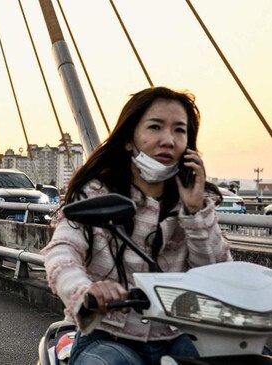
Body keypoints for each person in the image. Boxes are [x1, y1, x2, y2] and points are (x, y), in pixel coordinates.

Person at [41, 87, 231, 365]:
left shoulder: (195, 202)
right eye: (155, 127)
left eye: (179, 130)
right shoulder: (97, 194)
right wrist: (86, 291)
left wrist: (195, 212)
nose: (168, 140)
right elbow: (62, 252)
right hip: (107, 337)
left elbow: (219, 275)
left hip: (177, 338)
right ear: (130, 139)